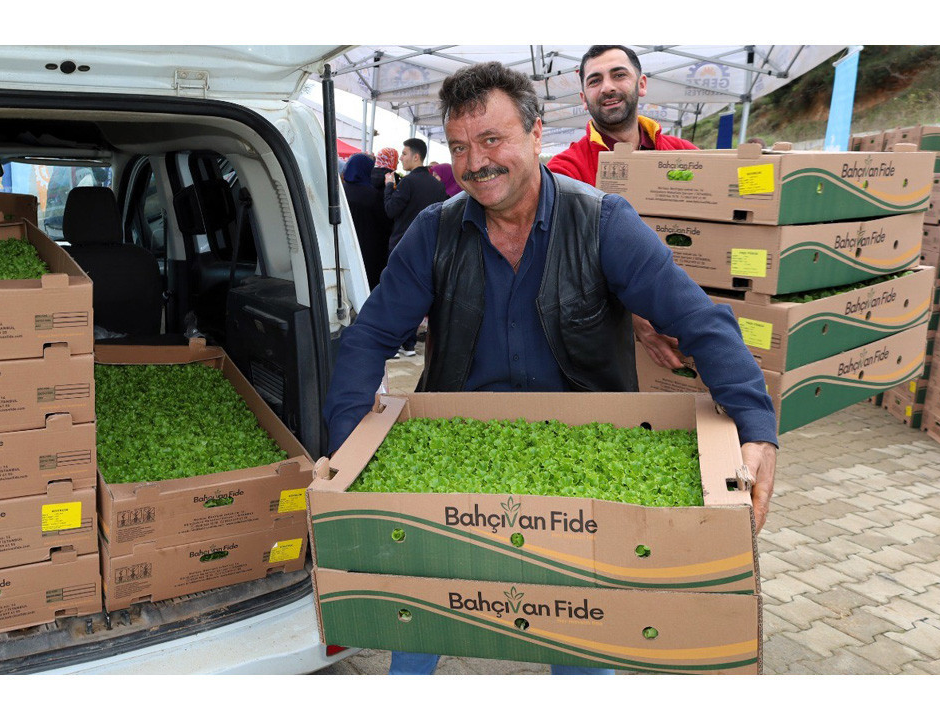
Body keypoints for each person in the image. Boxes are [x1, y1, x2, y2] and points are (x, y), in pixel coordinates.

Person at [322, 60, 778, 676]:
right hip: (459, 446)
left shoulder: (601, 223)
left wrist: (756, 427)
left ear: (537, 135)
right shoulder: (435, 232)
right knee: (422, 602)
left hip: (591, 455)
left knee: (585, 627)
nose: (475, 162)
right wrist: (349, 447)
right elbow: (368, 337)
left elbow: (701, 321)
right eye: (460, 147)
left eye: (492, 140)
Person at [546, 45, 701, 372]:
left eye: (619, 75)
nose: (608, 87)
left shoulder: (684, 155)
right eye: (594, 80)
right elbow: (568, 263)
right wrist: (636, 318)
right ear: (583, 97)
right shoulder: (566, 170)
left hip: (689, 313)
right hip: (603, 342)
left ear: (641, 84)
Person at [383, 138, 448, 356]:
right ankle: (409, 344)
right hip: (429, 247)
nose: (401, 158)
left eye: (404, 154)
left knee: (398, 296)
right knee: (418, 296)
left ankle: (398, 342)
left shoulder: (408, 183)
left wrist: (388, 187)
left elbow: (391, 210)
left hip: (403, 245)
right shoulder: (437, 185)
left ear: (416, 157)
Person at [341, 153, 394, 291]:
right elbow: (385, 222)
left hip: (345, 246)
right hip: (369, 250)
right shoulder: (372, 194)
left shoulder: (341, 192)